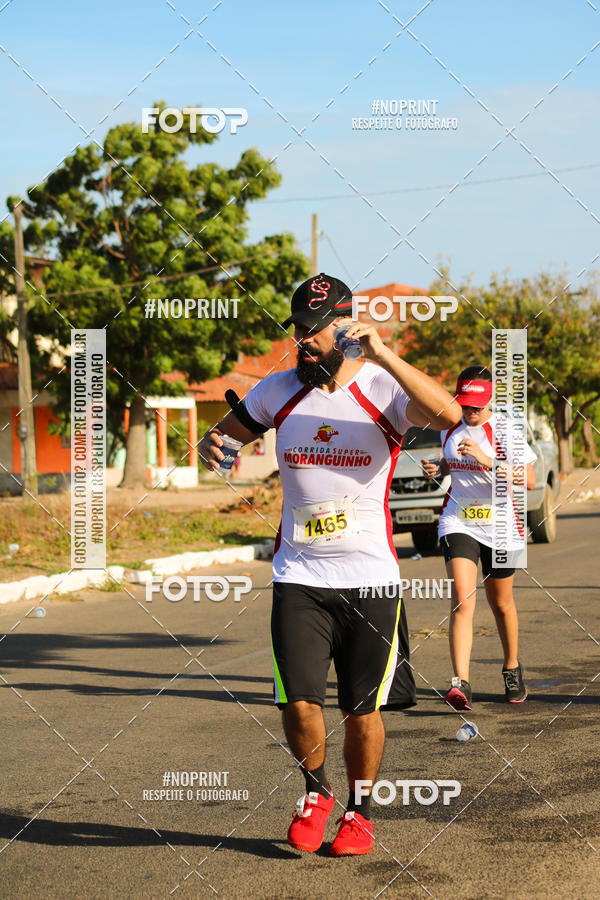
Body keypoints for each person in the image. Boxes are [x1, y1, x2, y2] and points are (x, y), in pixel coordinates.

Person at [199, 273, 462, 857]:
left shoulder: (381, 387)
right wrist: (213, 445)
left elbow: (449, 416)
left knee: (361, 708)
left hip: (371, 578)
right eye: (298, 329)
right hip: (299, 576)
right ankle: (315, 792)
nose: (304, 340)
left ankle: (361, 810)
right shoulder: (277, 390)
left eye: (315, 330)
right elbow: (222, 436)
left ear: (345, 326)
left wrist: (385, 352)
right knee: (299, 699)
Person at [422, 365, 537, 711]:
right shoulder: (449, 428)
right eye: (465, 405)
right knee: (462, 598)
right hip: (459, 521)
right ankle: (460, 683)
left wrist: (490, 461)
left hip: (501, 524)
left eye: (476, 406)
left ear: (488, 401)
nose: (470, 413)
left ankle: (512, 668)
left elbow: (529, 480)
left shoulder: (504, 430)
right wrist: (438, 469)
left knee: (501, 604)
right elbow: (451, 463)